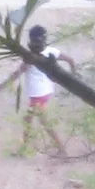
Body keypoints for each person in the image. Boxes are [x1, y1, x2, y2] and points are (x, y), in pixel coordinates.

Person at [18, 21, 62, 155]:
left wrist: (3, 84)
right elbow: (70, 59)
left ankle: (60, 148)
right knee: (30, 120)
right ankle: (25, 149)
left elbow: (19, 71)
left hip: (38, 93)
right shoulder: (51, 51)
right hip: (43, 91)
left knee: (41, 121)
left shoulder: (30, 57)